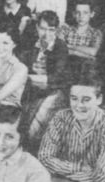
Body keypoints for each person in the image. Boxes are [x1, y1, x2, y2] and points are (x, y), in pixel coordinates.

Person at [21, 11, 71, 150]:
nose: (46, 34)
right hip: (31, 89)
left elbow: (57, 77)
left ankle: (30, 152)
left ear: (56, 30)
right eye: (43, 29)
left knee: (36, 123)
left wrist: (30, 77)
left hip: (53, 91)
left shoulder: (60, 47)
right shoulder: (31, 44)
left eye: (51, 30)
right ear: (37, 27)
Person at [59, 0, 103, 82]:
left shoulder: (96, 33)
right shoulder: (65, 29)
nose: (81, 16)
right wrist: (84, 53)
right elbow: (60, 48)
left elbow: (93, 52)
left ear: (92, 14)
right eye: (77, 13)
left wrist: (70, 47)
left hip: (85, 70)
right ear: (73, 14)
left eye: (85, 13)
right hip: (66, 67)